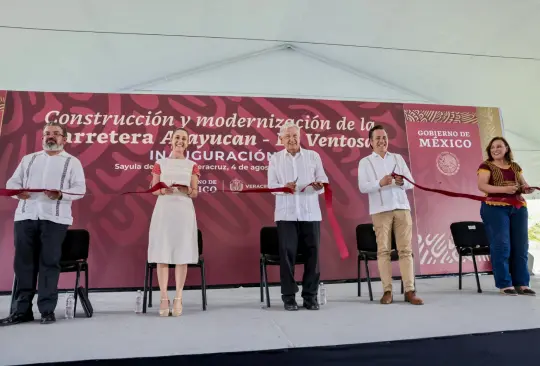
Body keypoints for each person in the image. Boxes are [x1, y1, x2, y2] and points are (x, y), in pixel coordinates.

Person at [0, 122, 86, 326]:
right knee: (23, 265)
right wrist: (16, 192)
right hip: (25, 216)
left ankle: (47, 310)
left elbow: (80, 190)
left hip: (54, 219)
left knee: (49, 263)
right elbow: (13, 183)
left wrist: (60, 195)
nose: (51, 137)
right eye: (47, 133)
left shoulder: (72, 162)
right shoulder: (29, 159)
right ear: (42, 137)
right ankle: (21, 311)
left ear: (64, 139)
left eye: (56, 134)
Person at [358, 125, 423, 305]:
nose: (382, 141)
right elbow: (363, 187)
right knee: (384, 251)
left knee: (406, 250)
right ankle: (387, 291)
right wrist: (380, 183)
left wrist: (401, 182)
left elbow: (411, 183)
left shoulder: (397, 158)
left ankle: (410, 290)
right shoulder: (365, 162)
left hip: (402, 207)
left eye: (384, 137)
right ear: (370, 142)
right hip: (380, 210)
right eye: (377, 138)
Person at [267, 121, 328, 311]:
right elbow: (271, 186)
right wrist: (284, 188)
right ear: (281, 139)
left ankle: (310, 297)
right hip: (286, 215)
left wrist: (319, 185)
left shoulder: (313, 156)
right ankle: (289, 297)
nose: (292, 140)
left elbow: (323, 180)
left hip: (310, 213)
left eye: (295, 136)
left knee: (313, 256)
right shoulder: (275, 159)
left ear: (300, 137)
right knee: (287, 256)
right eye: (288, 137)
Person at [148, 127, 200, 316]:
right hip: (164, 210)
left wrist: (187, 190)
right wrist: (162, 190)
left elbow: (195, 192)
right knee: (163, 254)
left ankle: (178, 297)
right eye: (177, 137)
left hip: (184, 211)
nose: (180, 141)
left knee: (181, 254)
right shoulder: (160, 163)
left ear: (188, 143)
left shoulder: (192, 164)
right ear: (170, 140)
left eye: (184, 138)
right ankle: (163, 297)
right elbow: (153, 189)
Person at [477, 137, 535, 296]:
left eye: (499, 146)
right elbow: (482, 186)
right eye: (492, 147)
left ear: (507, 148)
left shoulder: (515, 166)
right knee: (502, 245)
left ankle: (522, 283)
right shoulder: (486, 166)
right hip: (495, 208)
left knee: (521, 246)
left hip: (518, 207)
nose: (495, 149)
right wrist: (505, 190)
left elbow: (523, 185)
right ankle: (504, 284)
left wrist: (526, 189)